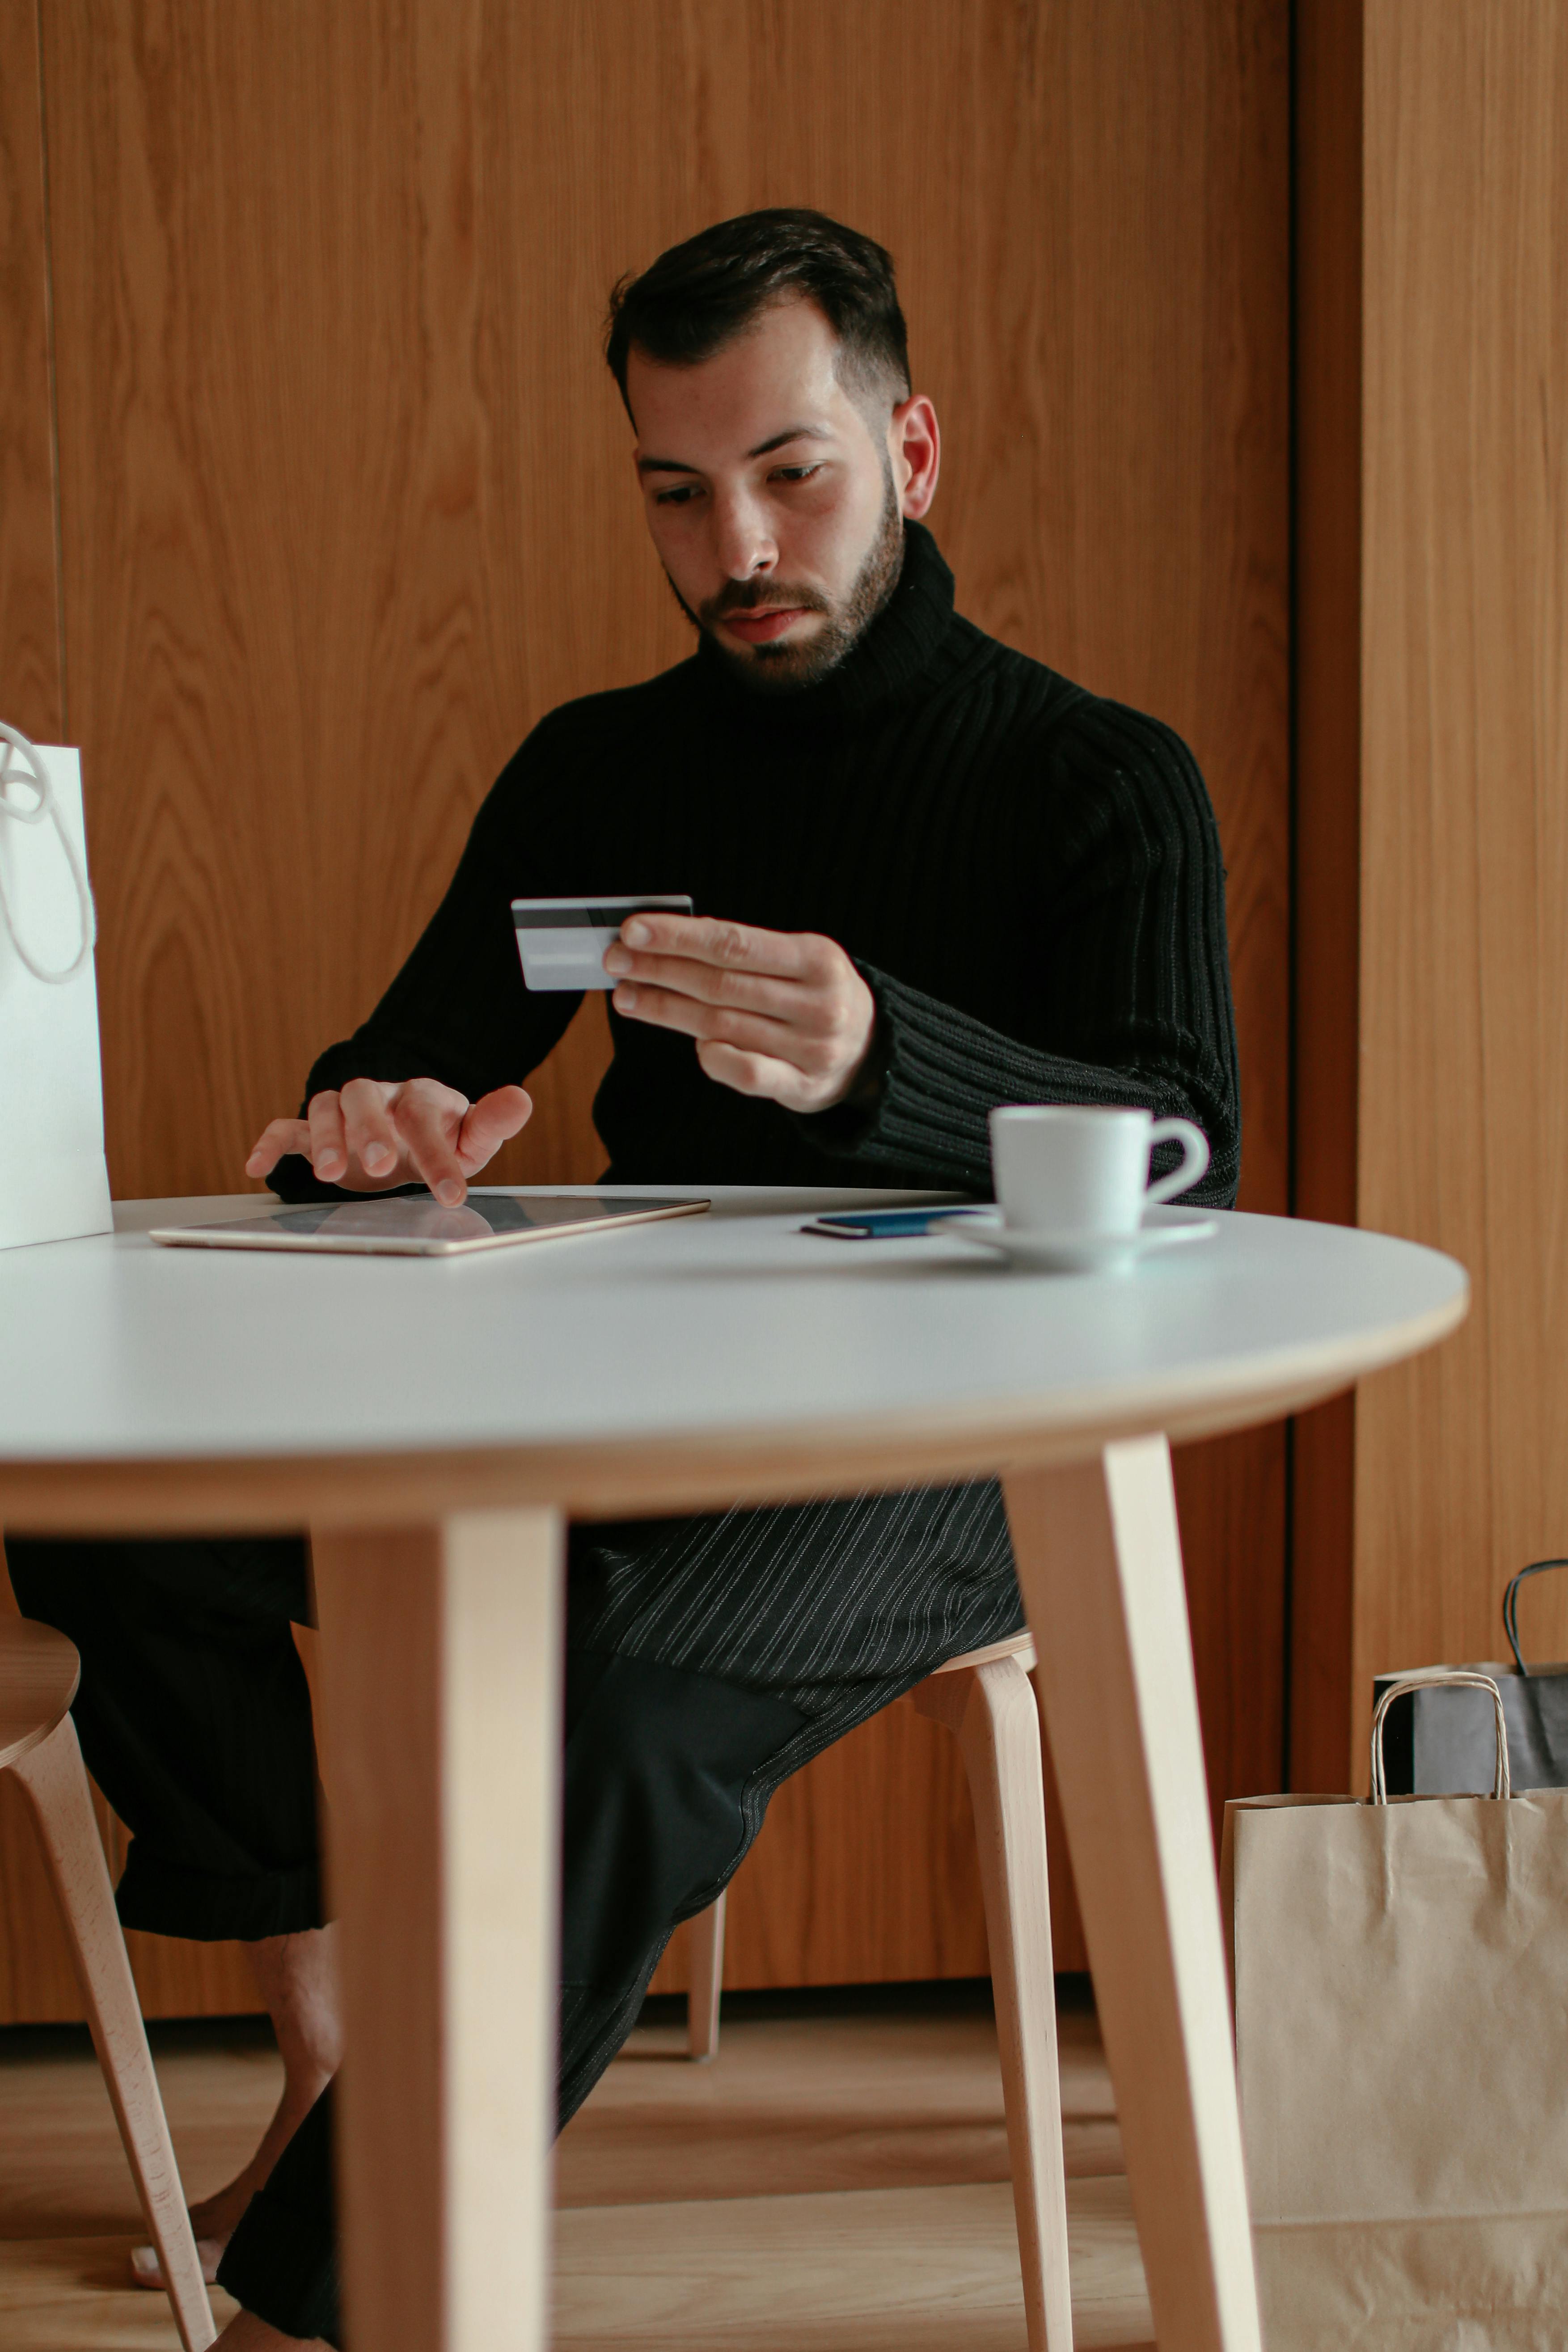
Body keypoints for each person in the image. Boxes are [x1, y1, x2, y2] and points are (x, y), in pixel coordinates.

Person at [4, 207, 1240, 2349]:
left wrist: (879, 1052)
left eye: (792, 472)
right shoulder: (601, 768)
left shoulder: (1096, 781)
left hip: (952, 1433)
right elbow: (391, 1064)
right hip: (613, 1392)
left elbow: (1189, 1154)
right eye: (676, 493)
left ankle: (342, 2294)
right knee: (128, 1518)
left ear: (912, 448)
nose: (733, 542)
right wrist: (369, 1123)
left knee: (618, 1697)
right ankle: (331, 2069)